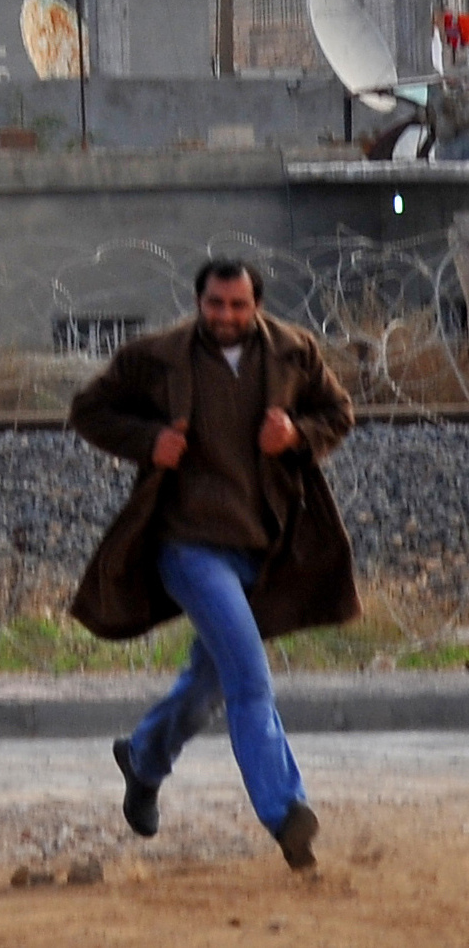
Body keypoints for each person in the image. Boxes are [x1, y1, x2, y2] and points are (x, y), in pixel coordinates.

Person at [70, 256, 356, 870]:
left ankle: (143, 757)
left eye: (238, 305)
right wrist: (150, 442)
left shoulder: (295, 352)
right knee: (249, 679)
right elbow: (89, 410)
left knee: (209, 684)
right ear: (198, 302)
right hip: (188, 546)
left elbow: (338, 413)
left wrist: (297, 435)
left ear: (257, 305)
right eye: (215, 304)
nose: (226, 316)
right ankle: (286, 813)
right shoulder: (156, 357)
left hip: (265, 548)